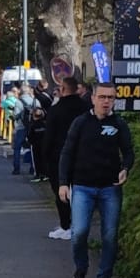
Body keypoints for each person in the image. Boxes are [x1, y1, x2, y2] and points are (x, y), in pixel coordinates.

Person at [58, 82, 136, 278]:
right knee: (79, 233)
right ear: (93, 99)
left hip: (110, 188)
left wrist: (125, 168)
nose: (106, 101)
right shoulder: (81, 122)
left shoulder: (119, 124)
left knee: (110, 236)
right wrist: (63, 183)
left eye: (110, 97)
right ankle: (81, 269)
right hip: (82, 187)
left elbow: (128, 152)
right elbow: (67, 153)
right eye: (102, 97)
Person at [42, 77, 87, 235]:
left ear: (63, 89)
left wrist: (45, 157)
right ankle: (79, 224)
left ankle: (66, 225)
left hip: (58, 155)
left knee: (61, 191)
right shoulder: (86, 108)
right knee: (81, 192)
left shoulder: (56, 110)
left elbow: (49, 136)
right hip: (82, 155)